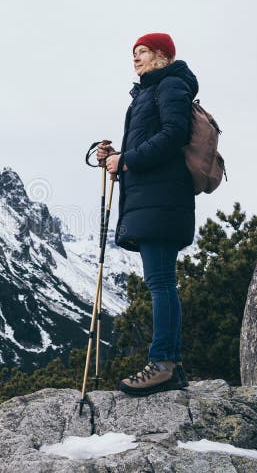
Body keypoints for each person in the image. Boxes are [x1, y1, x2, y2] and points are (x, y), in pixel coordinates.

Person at [96, 32, 198, 396]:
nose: (135, 59)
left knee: (161, 283)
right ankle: (173, 365)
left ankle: (163, 364)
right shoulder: (151, 91)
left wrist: (125, 160)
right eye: (134, 53)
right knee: (162, 281)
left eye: (143, 52)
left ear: (163, 56)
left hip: (162, 199)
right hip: (156, 198)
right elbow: (152, 143)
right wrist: (116, 155)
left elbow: (174, 135)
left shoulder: (169, 86)